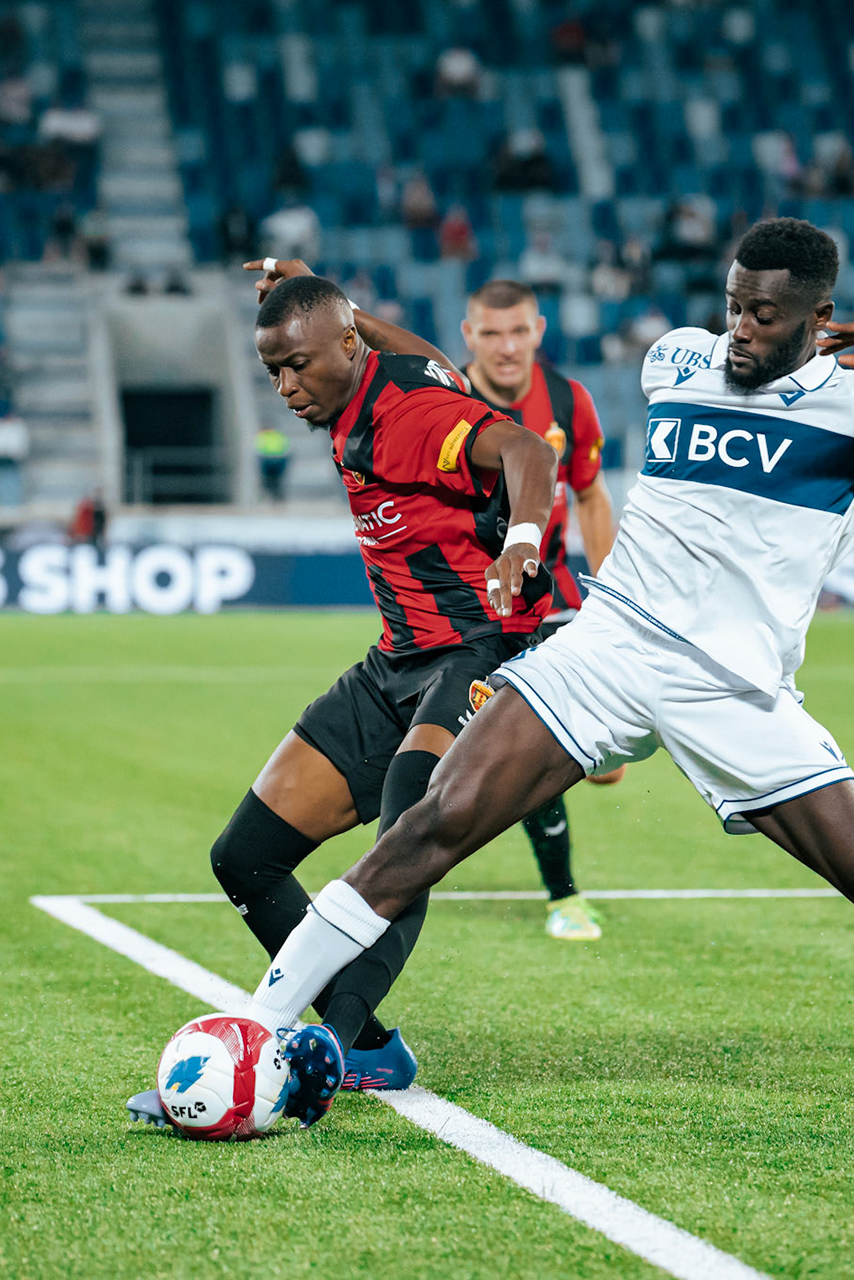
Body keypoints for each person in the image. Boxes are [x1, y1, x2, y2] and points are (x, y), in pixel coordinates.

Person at [238, 219, 854, 1129]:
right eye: (733, 306)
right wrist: (341, 312)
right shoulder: (681, 356)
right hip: (608, 648)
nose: (741, 330)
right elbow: (440, 368)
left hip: (734, 689)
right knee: (425, 829)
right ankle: (248, 1049)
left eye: (765, 313)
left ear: (819, 318)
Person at [127, 261, 559, 1127]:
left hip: (479, 646)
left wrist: (519, 537)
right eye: (273, 371)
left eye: (297, 366)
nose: (286, 387)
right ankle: (365, 1051)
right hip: (397, 657)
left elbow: (522, 449)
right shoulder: (367, 376)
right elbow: (421, 352)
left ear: (349, 349)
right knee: (243, 856)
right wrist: (330, 297)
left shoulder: (414, 418)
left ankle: (322, 1048)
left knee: (410, 821)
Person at [458, 279, 619, 940]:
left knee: (605, 770)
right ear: (468, 335)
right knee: (508, 745)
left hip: (551, 595)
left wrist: (613, 600)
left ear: (539, 331)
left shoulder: (567, 401)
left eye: (518, 331)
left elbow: (590, 494)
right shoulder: (445, 401)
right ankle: (564, 897)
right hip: (467, 603)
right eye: (491, 333)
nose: (505, 347)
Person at [255, 425, 291, 502]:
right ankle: (277, 497)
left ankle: (274, 496)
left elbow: (258, 449)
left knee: (270, 480)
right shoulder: (278, 435)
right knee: (276, 480)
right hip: (278, 460)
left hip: (268, 460)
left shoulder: (262, 436)